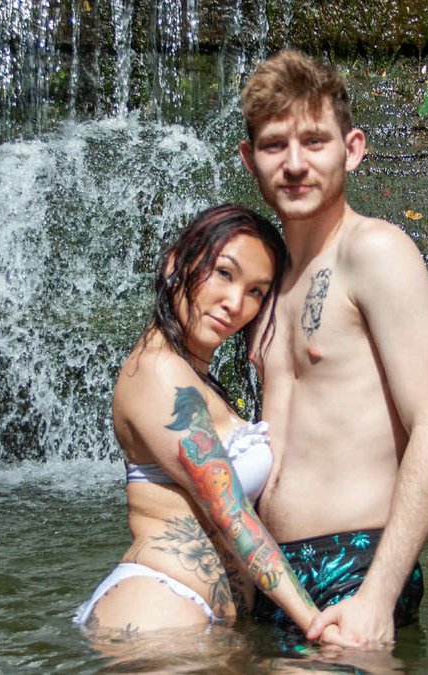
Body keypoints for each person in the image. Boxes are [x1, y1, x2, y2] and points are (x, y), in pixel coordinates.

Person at [238, 50, 428, 648]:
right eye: (274, 145)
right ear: (249, 159)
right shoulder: (265, 283)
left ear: (352, 149)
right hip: (270, 576)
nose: (294, 164)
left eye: (314, 141)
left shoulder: (375, 252)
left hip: (355, 568)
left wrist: (378, 597)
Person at [74, 203, 350, 645]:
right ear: (175, 265)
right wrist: (314, 623)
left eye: (256, 291)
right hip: (155, 613)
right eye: (224, 273)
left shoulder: (195, 377)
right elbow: (231, 515)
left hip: (204, 626)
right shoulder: (159, 373)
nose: (235, 304)